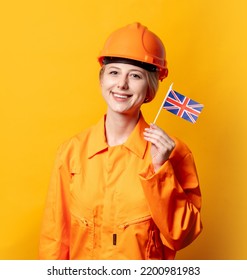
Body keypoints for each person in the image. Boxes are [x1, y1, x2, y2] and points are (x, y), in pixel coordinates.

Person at [39, 22, 202, 260]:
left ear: (150, 87)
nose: (122, 84)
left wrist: (160, 170)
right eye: (114, 72)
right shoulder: (71, 152)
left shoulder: (174, 153)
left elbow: (182, 235)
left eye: (135, 76)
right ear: (102, 79)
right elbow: (55, 237)